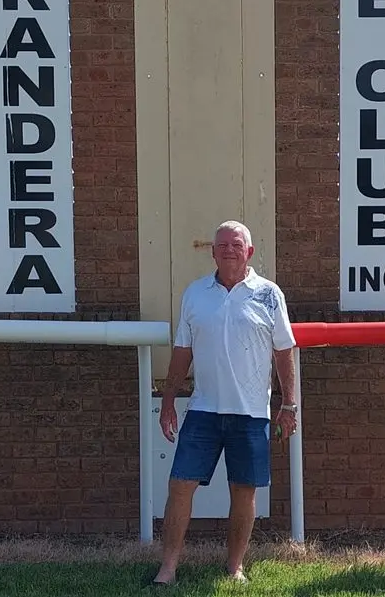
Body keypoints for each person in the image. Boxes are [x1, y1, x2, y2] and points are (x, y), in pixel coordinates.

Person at [149, 220, 298, 587]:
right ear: (212, 252)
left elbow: (284, 352)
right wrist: (169, 400)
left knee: (243, 492)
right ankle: (167, 569)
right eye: (222, 245)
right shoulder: (195, 294)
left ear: (249, 252)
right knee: (180, 486)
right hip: (202, 411)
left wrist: (289, 404)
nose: (229, 250)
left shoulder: (269, 294)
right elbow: (182, 353)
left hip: (250, 414)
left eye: (237, 244)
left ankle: (234, 567)